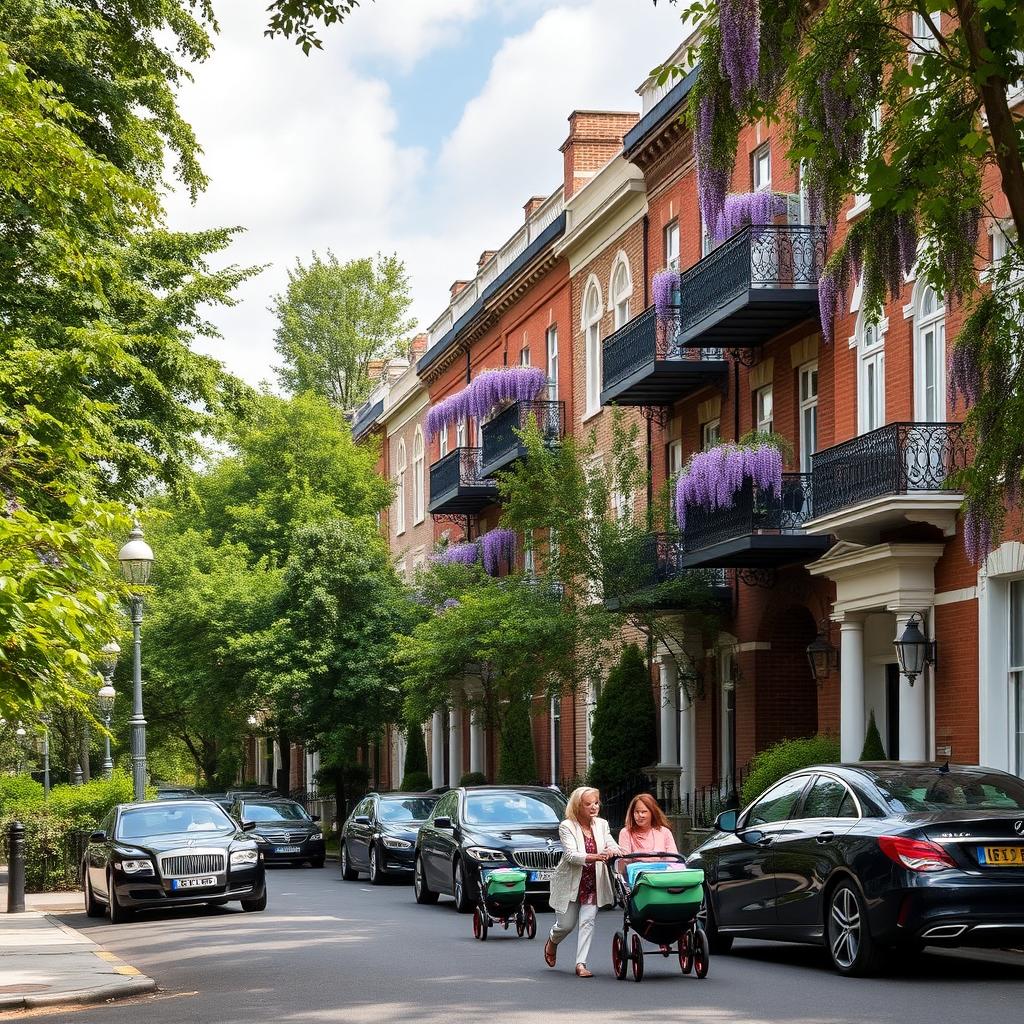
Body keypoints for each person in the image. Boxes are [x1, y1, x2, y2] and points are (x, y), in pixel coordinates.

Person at [544, 786, 620, 978]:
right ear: (578, 806)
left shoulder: (602, 824)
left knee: (588, 922)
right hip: (571, 882)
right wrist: (594, 857)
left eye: (596, 803)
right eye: (588, 804)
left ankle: (581, 963)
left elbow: (611, 843)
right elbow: (570, 855)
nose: (594, 807)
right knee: (566, 925)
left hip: (592, 881)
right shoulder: (567, 826)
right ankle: (552, 941)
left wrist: (615, 850)